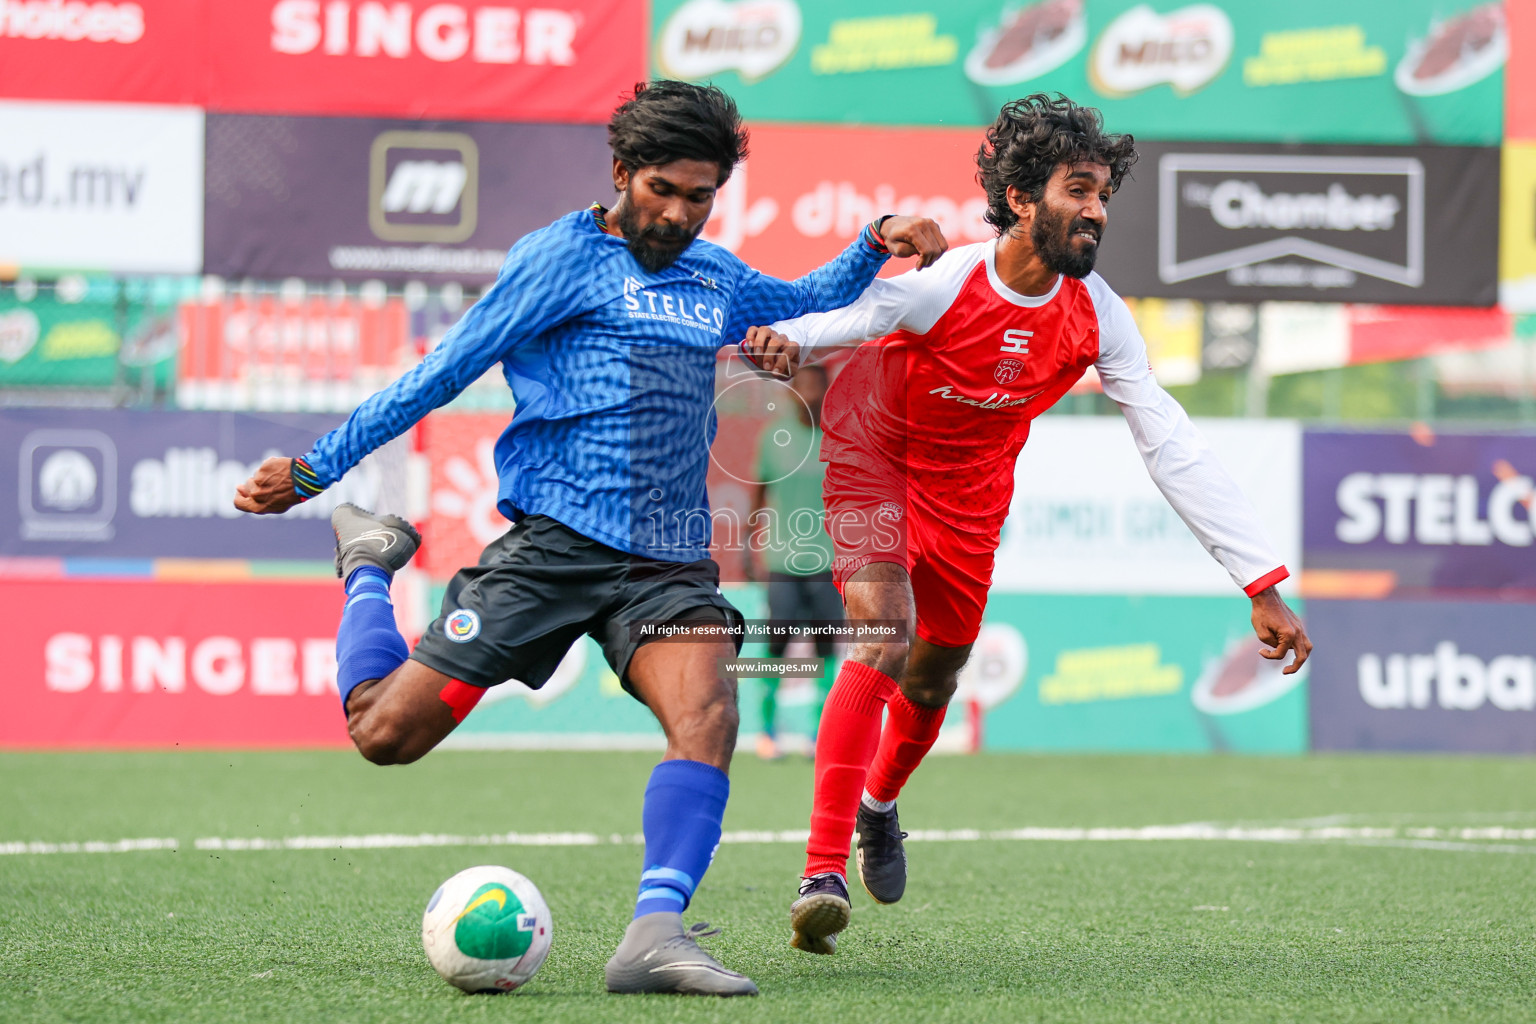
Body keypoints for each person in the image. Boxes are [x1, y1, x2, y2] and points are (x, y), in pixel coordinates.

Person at [231, 80, 948, 996]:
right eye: (662, 190)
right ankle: (367, 563)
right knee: (383, 733)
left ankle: (655, 934)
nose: (680, 212)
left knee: (710, 716)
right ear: (621, 173)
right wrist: (315, 470)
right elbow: (439, 373)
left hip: (664, 567)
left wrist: (873, 237)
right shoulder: (557, 261)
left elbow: (803, 299)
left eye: (699, 196)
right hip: (552, 554)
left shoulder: (713, 277)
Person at [744, 93, 1313, 956]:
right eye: (1078, 191)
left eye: (1103, 197)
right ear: (1020, 198)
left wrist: (1261, 581)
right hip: (876, 468)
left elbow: (1170, 444)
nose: (1096, 211)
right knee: (881, 636)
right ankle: (820, 874)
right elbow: (854, 318)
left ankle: (881, 807)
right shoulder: (946, 282)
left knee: (933, 682)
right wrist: (787, 335)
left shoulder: (1100, 318)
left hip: (972, 500)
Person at [745, 364, 843, 759]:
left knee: (825, 651)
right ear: (792, 393)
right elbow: (758, 494)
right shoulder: (774, 438)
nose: (813, 395)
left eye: (820, 388)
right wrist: (745, 546)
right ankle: (767, 731)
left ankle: (818, 736)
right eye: (805, 387)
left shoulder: (840, 439)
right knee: (775, 647)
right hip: (783, 563)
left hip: (829, 565)